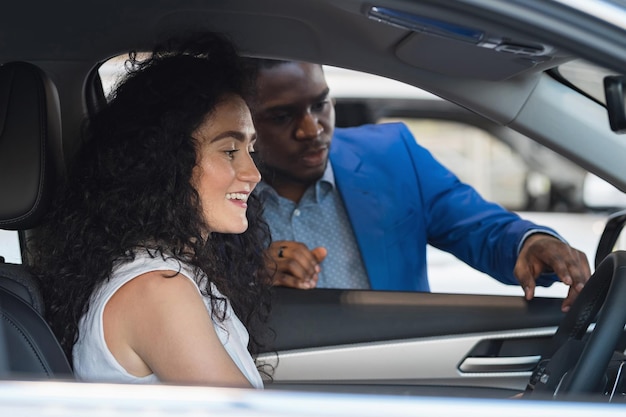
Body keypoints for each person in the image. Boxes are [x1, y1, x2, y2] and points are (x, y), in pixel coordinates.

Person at [241, 58, 591, 313]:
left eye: (320, 105)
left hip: (396, 368)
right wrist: (251, 277)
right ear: (242, 121)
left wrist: (530, 243)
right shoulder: (211, 186)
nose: (312, 129)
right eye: (283, 116)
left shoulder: (392, 154)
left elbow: (480, 226)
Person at [30, 33, 271, 388]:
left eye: (251, 149)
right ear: (164, 162)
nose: (254, 174)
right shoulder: (157, 289)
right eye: (229, 150)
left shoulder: (165, 271)